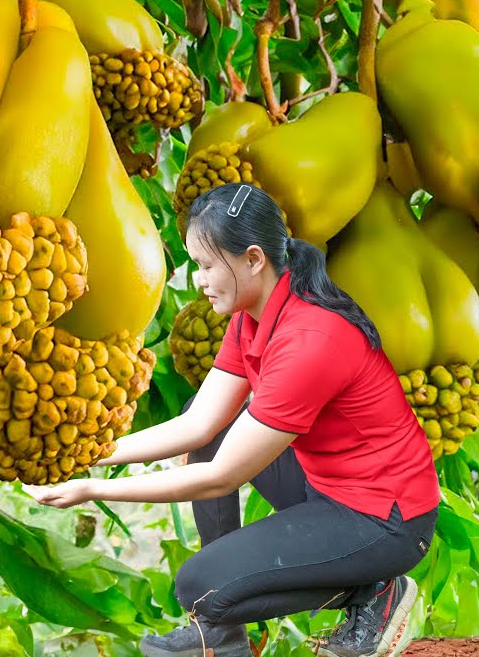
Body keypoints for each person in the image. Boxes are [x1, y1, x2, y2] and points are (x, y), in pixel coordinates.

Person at [28, 183, 440, 657]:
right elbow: (199, 426)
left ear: (253, 258)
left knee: (200, 587)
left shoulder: (311, 338)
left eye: (206, 266)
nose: (199, 280)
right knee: (209, 425)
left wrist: (91, 489)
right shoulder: (252, 315)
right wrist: (83, 456)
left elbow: (220, 477)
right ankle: (220, 634)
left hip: (387, 519)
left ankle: (375, 591)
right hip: (326, 486)